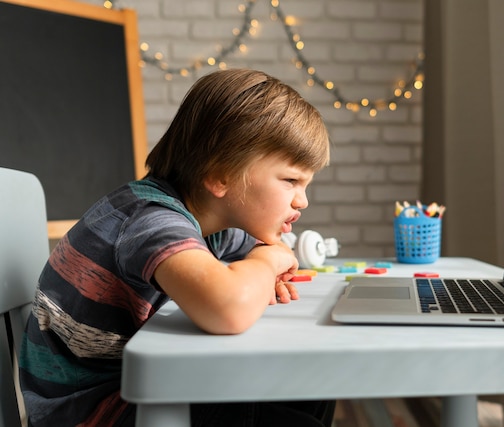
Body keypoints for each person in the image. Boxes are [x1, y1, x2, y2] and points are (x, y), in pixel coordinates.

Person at [19, 68, 335, 426]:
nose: (303, 202)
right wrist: (265, 263)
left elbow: (266, 257)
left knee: (310, 386)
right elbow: (229, 308)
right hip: (97, 412)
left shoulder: (210, 223)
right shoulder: (150, 220)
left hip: (136, 389)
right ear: (220, 175)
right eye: (291, 180)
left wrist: (258, 267)